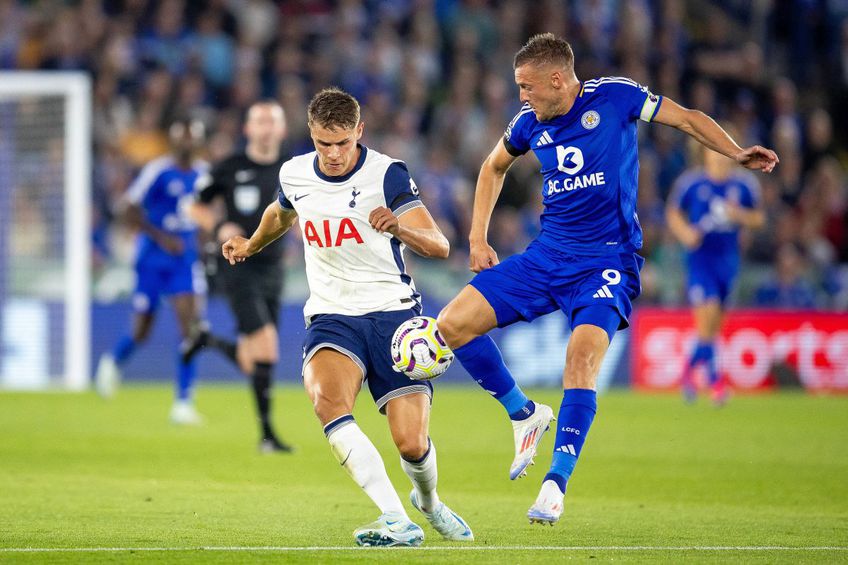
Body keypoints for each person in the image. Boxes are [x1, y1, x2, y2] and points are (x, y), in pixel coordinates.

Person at [436, 33, 778, 525]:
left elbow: (686, 119)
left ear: (557, 79)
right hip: (546, 256)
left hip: (606, 261)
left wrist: (734, 151)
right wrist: (477, 237)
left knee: (579, 358)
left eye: (527, 87)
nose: (521, 97)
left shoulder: (614, 96)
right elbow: (493, 168)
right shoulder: (528, 123)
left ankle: (555, 484)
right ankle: (524, 414)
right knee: (451, 325)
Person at [221, 88, 473, 547]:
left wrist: (397, 225)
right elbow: (281, 214)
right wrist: (251, 244)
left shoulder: (387, 174)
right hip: (332, 315)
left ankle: (429, 503)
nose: (333, 154)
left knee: (412, 444)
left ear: (359, 131)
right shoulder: (294, 173)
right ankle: (396, 520)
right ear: (311, 136)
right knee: (327, 403)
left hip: (394, 318)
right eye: (323, 143)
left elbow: (439, 245)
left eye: (342, 143)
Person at [186, 100, 293, 453]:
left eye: (271, 121)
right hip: (237, 266)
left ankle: (207, 341)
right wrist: (219, 226)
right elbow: (194, 205)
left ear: (281, 129)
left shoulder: (292, 171)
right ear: (247, 129)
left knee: (255, 360)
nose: (265, 127)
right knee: (267, 346)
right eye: (258, 121)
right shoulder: (230, 167)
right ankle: (267, 437)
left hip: (274, 268)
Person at [95, 117, 210, 425]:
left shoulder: (203, 175)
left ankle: (183, 402)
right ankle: (114, 360)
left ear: (198, 142)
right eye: (181, 137)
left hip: (183, 261)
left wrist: (204, 241)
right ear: (173, 142)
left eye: (191, 138)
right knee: (142, 328)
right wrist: (161, 236)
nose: (186, 143)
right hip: (151, 260)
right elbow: (127, 208)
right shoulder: (158, 170)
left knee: (191, 327)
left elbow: (207, 213)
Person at [667, 136, 765, 406]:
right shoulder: (692, 183)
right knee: (707, 317)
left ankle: (688, 373)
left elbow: (758, 218)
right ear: (707, 155)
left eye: (725, 155)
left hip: (728, 262)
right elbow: (673, 213)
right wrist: (685, 233)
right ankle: (716, 382)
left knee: (712, 329)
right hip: (701, 261)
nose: (721, 160)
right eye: (716, 154)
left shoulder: (744, 185)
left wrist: (739, 216)